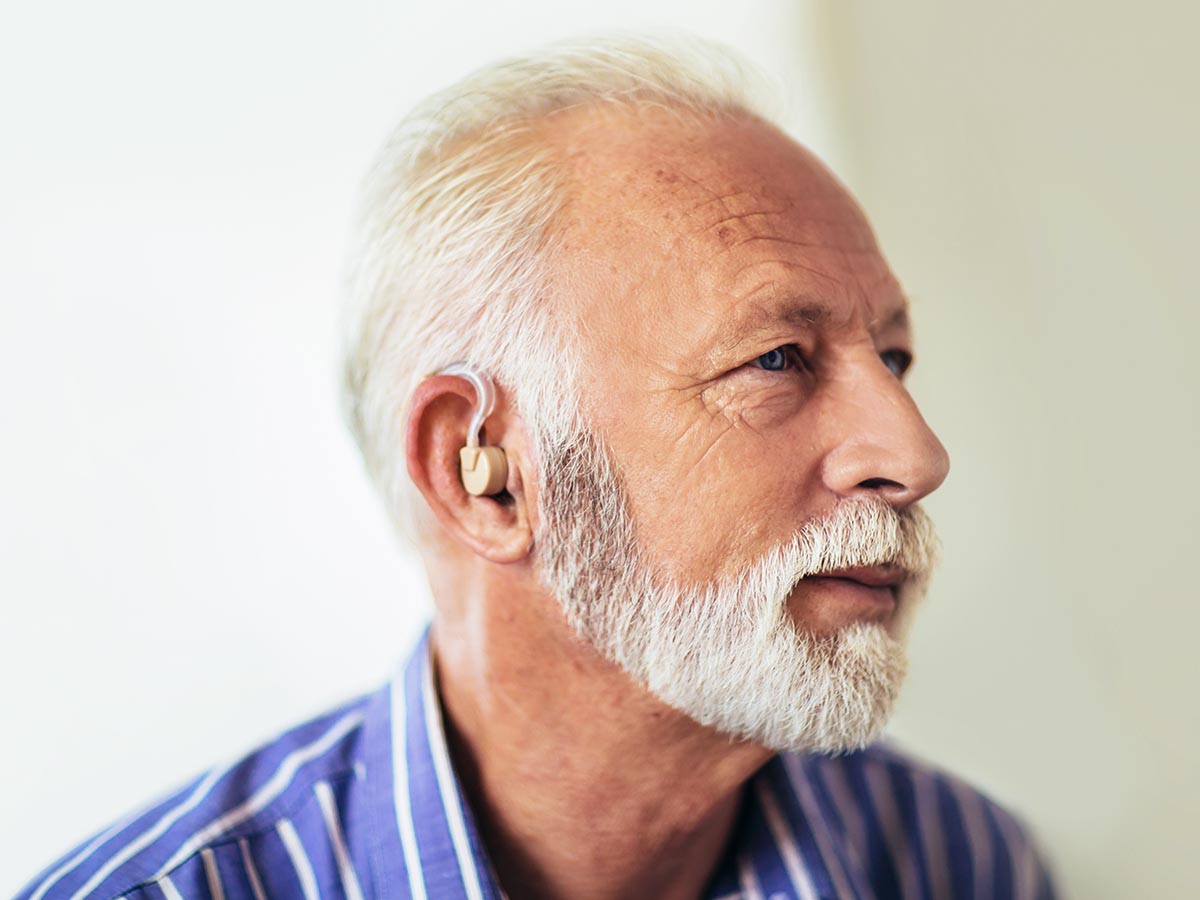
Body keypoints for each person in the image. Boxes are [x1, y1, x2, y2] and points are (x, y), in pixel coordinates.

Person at [15, 34, 1059, 900]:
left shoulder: (960, 865)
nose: (916, 455)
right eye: (776, 360)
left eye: (893, 357)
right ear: (487, 473)